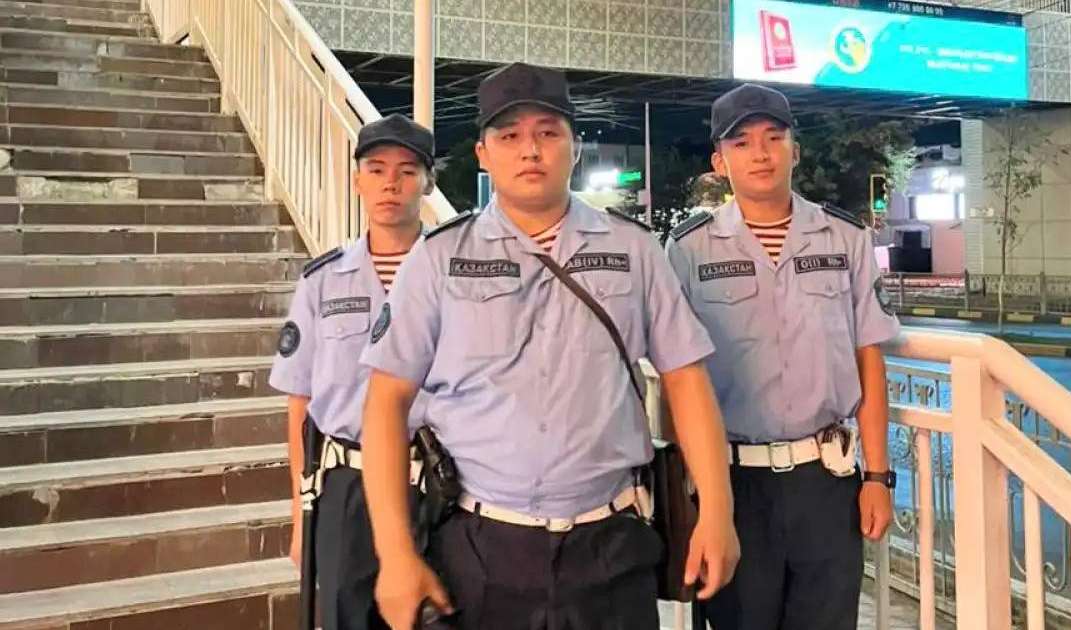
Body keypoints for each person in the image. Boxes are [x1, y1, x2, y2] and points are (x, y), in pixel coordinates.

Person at [357, 62, 740, 630]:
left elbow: (685, 378)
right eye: (509, 136)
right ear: (483, 154)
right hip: (480, 550)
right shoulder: (438, 259)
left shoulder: (634, 250)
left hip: (611, 546)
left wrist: (717, 510)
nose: (529, 150)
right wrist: (395, 556)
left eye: (547, 133)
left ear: (575, 147)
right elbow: (386, 402)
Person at [665, 83, 900, 630]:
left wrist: (879, 478)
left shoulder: (844, 238)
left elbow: (869, 360)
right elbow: (679, 376)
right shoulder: (689, 248)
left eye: (775, 137)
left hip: (827, 479)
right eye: (742, 143)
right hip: (731, 485)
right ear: (719, 162)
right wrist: (691, 490)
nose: (762, 153)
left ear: (796, 149)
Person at [268, 113, 436, 630]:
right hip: (346, 488)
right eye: (377, 168)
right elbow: (299, 401)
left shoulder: (452, 274)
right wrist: (301, 516)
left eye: (408, 171)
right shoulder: (322, 280)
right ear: (357, 178)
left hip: (436, 485)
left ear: (428, 182)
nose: (391, 183)